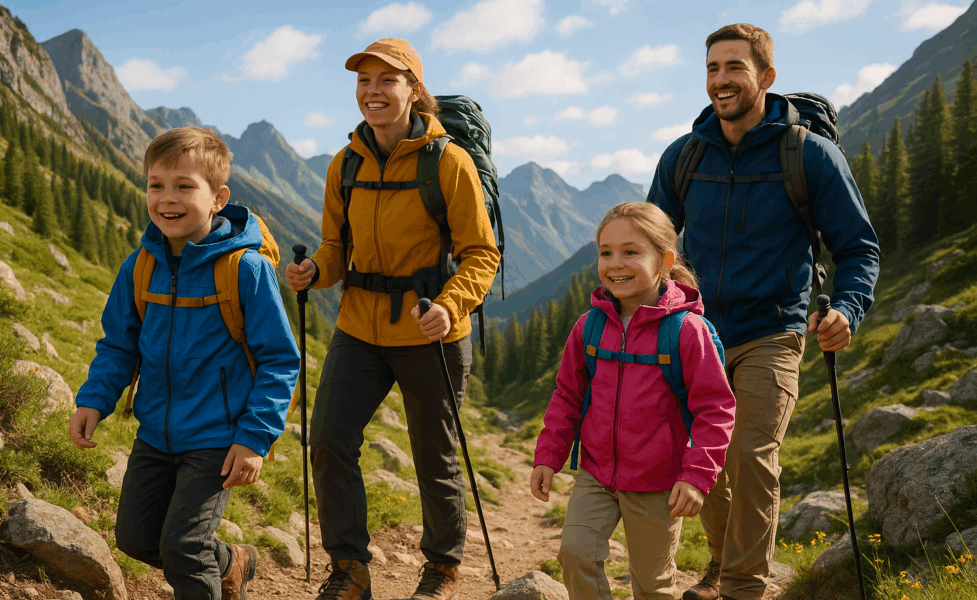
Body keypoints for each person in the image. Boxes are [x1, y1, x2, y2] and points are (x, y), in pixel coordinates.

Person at [646, 24, 881, 600]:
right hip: (696, 333)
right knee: (704, 457)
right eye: (712, 69)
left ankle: (744, 587)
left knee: (749, 454)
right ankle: (722, 565)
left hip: (773, 330)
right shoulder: (683, 156)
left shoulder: (808, 155)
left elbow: (857, 247)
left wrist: (848, 308)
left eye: (734, 67)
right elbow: (652, 242)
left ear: (766, 77)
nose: (720, 80)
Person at [285, 37, 500, 600]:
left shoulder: (447, 161)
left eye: (386, 81)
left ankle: (442, 568)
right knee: (330, 439)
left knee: (434, 452)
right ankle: (349, 570)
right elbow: (336, 246)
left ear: (413, 90)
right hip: (359, 326)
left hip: (431, 329)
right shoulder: (346, 163)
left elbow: (482, 253)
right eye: (364, 82)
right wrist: (314, 271)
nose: (372, 92)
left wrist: (451, 306)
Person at [68, 127, 301, 600]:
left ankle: (209, 569)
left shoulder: (246, 268)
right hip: (154, 432)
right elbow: (119, 345)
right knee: (135, 538)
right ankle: (232, 561)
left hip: (219, 437)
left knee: (184, 548)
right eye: (156, 185)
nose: (167, 198)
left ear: (218, 198)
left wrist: (255, 438)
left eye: (184, 186)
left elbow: (280, 360)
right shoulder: (140, 266)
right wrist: (94, 400)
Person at [530, 202, 736, 600]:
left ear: (664, 260)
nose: (615, 263)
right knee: (574, 554)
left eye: (630, 252)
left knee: (653, 585)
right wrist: (547, 457)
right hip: (595, 472)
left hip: (659, 482)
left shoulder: (687, 331)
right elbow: (567, 397)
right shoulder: (589, 326)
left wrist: (696, 476)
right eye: (605, 252)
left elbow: (715, 409)